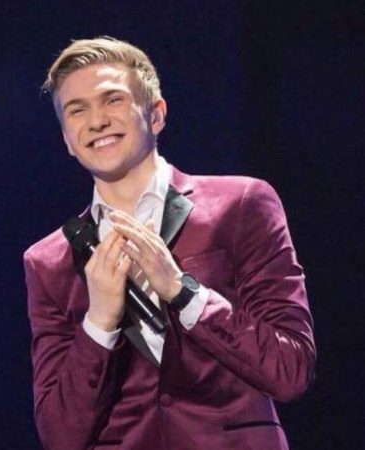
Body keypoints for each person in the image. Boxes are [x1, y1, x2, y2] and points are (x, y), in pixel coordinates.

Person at [24, 36, 316, 450]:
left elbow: (290, 369)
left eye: (112, 100)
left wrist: (183, 291)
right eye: (77, 110)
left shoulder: (241, 206)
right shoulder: (48, 262)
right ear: (67, 140)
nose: (97, 121)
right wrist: (99, 322)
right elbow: (60, 436)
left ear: (156, 114)